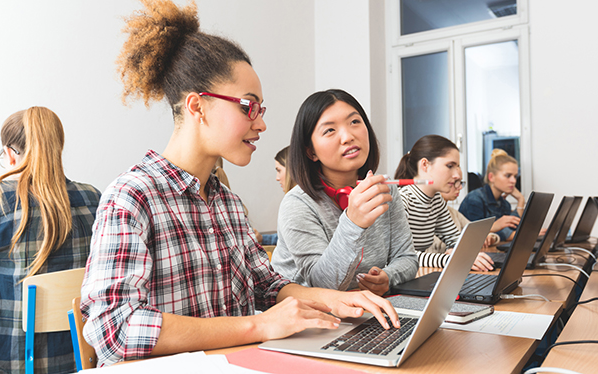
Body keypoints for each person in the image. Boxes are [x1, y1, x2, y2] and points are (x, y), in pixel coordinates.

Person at [80, 1, 400, 368]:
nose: (261, 124)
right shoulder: (133, 196)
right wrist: (257, 326)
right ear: (197, 107)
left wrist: (332, 299)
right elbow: (116, 331)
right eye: (248, 106)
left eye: (261, 110)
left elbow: (266, 284)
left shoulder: (227, 201)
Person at [0, 107, 101, 374]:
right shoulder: (93, 198)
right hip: (83, 357)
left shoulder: (1, 202)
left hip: (14, 362)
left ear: (9, 154)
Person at [270, 89, 418, 296]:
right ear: (310, 151)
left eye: (355, 122)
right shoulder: (297, 203)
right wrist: (353, 222)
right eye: (330, 130)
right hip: (311, 316)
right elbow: (323, 285)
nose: (348, 136)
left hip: (365, 308)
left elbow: (407, 258)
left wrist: (388, 277)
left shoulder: (384, 188)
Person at [394, 135, 494, 271]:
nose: (457, 175)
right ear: (425, 165)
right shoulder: (402, 201)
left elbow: (455, 239)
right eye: (450, 166)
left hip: (418, 274)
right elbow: (403, 256)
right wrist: (451, 259)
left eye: (457, 166)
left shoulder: (436, 201)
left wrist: (459, 251)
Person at [458, 149, 524, 242]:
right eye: (508, 176)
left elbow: (512, 228)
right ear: (491, 177)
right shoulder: (474, 199)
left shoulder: (504, 204)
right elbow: (474, 235)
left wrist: (521, 199)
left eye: (515, 176)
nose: (513, 181)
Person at [426, 180, 500, 253]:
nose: (460, 187)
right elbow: (437, 248)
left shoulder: (453, 212)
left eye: (460, 183)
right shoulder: (424, 213)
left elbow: (474, 231)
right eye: (454, 183)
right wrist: (470, 240)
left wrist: (489, 237)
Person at [261, 146, 296, 246]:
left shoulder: (293, 204)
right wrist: (262, 238)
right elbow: (287, 238)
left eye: (279, 170)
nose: (277, 178)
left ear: (291, 170)